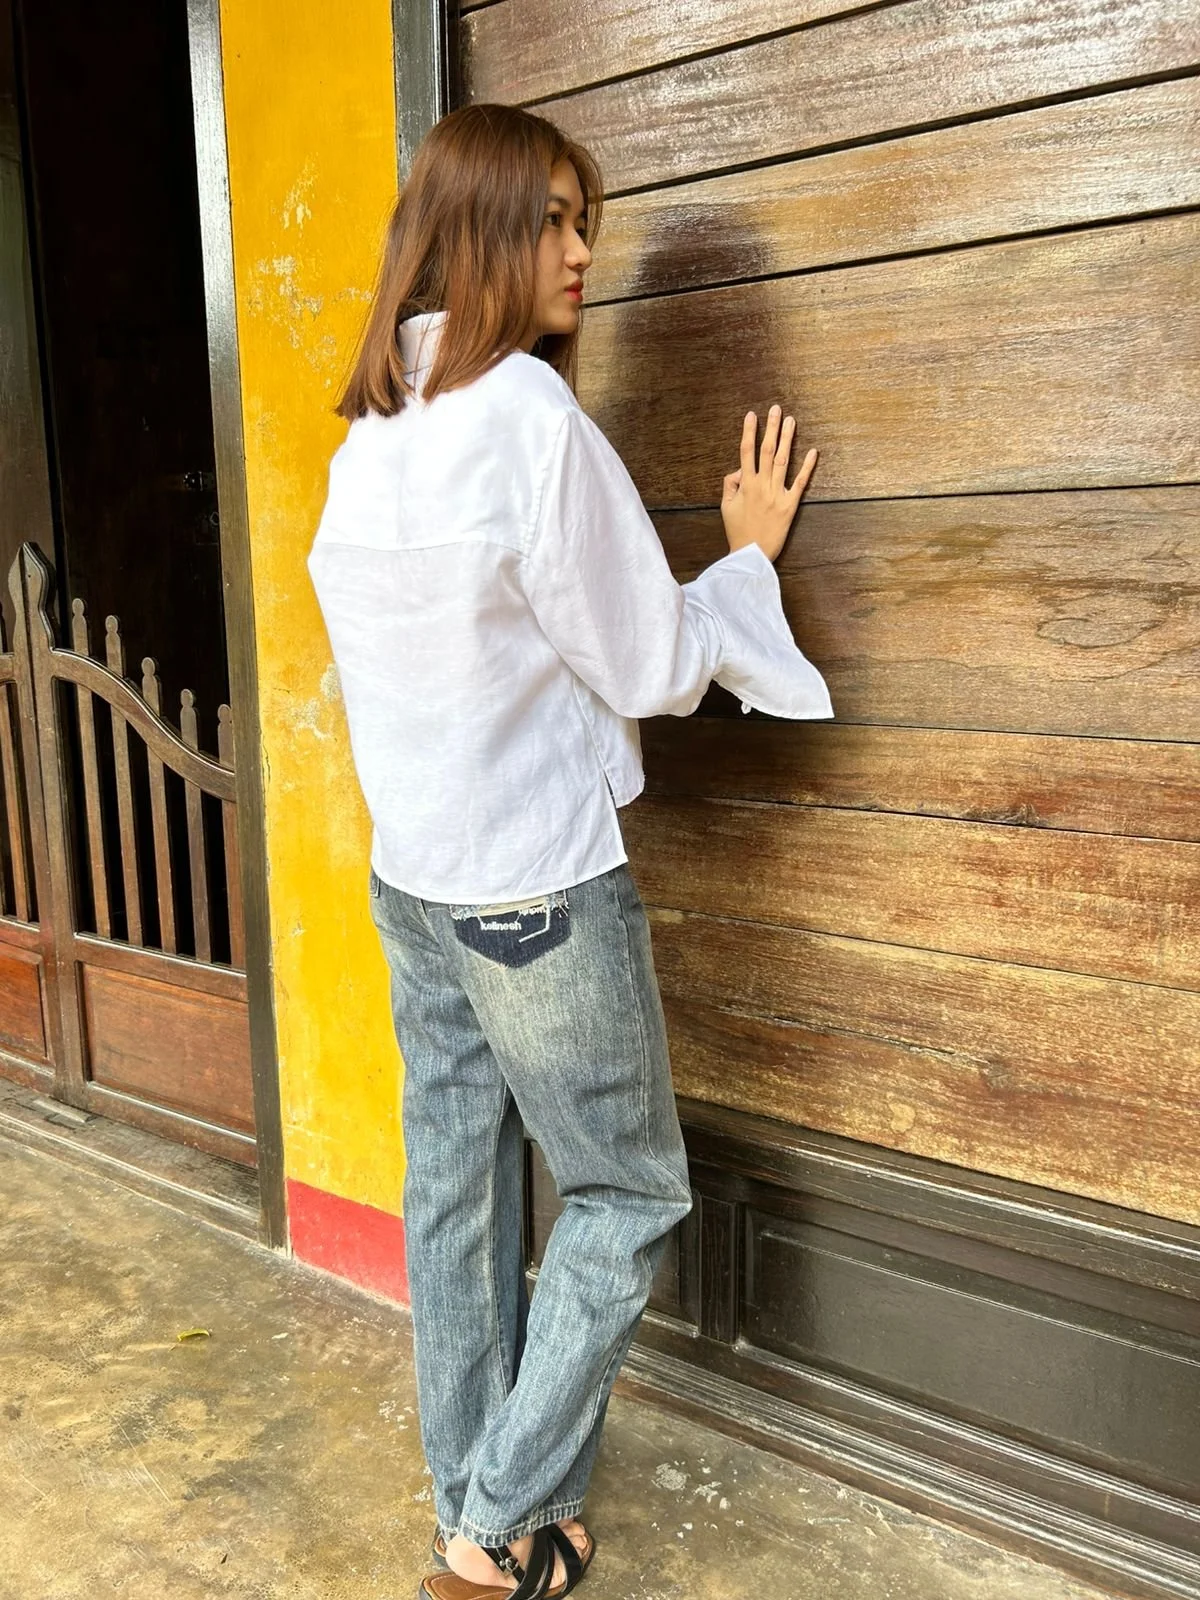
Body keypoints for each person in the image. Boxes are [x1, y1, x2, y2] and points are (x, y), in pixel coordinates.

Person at [307, 102, 833, 1600]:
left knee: (457, 1189)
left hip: (417, 880)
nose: (584, 247)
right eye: (553, 216)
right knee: (625, 1191)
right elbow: (657, 661)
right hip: (534, 885)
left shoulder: (376, 433)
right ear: (476, 230)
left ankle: (479, 1508)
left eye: (581, 214)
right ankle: (492, 1528)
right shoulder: (531, 425)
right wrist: (743, 557)